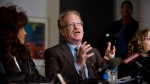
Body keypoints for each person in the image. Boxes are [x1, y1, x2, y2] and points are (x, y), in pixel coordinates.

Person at [44, 10, 116, 83]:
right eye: (70, 24)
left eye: (79, 23)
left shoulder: (93, 51)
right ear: (62, 31)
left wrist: (106, 63)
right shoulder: (53, 52)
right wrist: (77, 64)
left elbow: (104, 78)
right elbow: (54, 79)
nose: (76, 27)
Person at [0, 3, 50, 83]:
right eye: (21, 29)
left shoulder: (23, 53)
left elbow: (35, 78)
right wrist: (23, 77)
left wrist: (55, 82)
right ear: (10, 32)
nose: (25, 33)